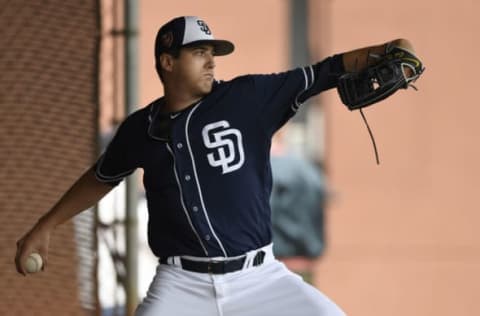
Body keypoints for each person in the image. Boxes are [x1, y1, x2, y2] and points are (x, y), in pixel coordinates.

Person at [15, 16, 422, 316]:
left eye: (212, 53)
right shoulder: (139, 129)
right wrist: (45, 226)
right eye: (198, 53)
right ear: (167, 62)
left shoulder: (248, 98)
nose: (211, 62)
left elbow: (322, 72)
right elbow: (102, 178)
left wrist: (387, 49)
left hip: (259, 278)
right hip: (181, 284)